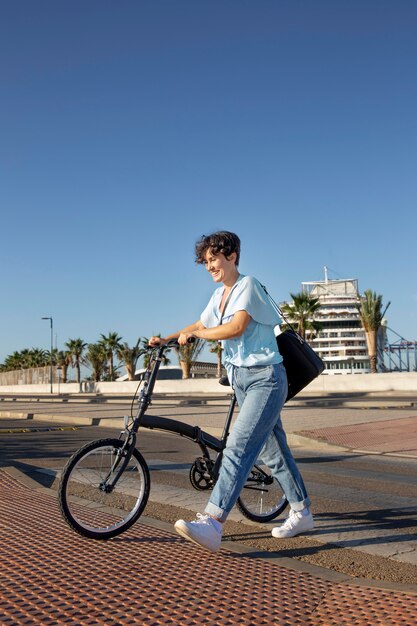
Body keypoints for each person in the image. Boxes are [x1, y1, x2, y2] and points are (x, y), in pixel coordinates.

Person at [149, 231, 313, 552]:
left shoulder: (247, 286)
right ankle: (302, 511)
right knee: (273, 452)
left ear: (232, 256)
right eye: (206, 261)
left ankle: (212, 523)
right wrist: (166, 339)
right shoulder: (218, 296)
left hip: (266, 378)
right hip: (242, 381)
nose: (210, 265)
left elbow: (236, 327)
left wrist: (204, 334)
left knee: (237, 447)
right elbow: (197, 326)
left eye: (215, 258)